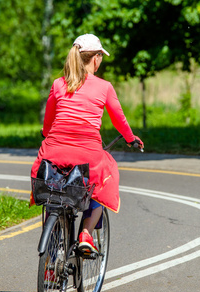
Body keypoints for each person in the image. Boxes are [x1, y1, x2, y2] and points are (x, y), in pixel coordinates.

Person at [31, 33, 144, 254]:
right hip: (87, 154)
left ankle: (51, 256)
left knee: (53, 191)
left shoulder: (58, 84)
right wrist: (131, 139)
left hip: (53, 151)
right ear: (96, 59)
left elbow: (47, 126)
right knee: (105, 176)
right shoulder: (104, 87)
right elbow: (119, 120)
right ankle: (86, 233)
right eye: (101, 56)